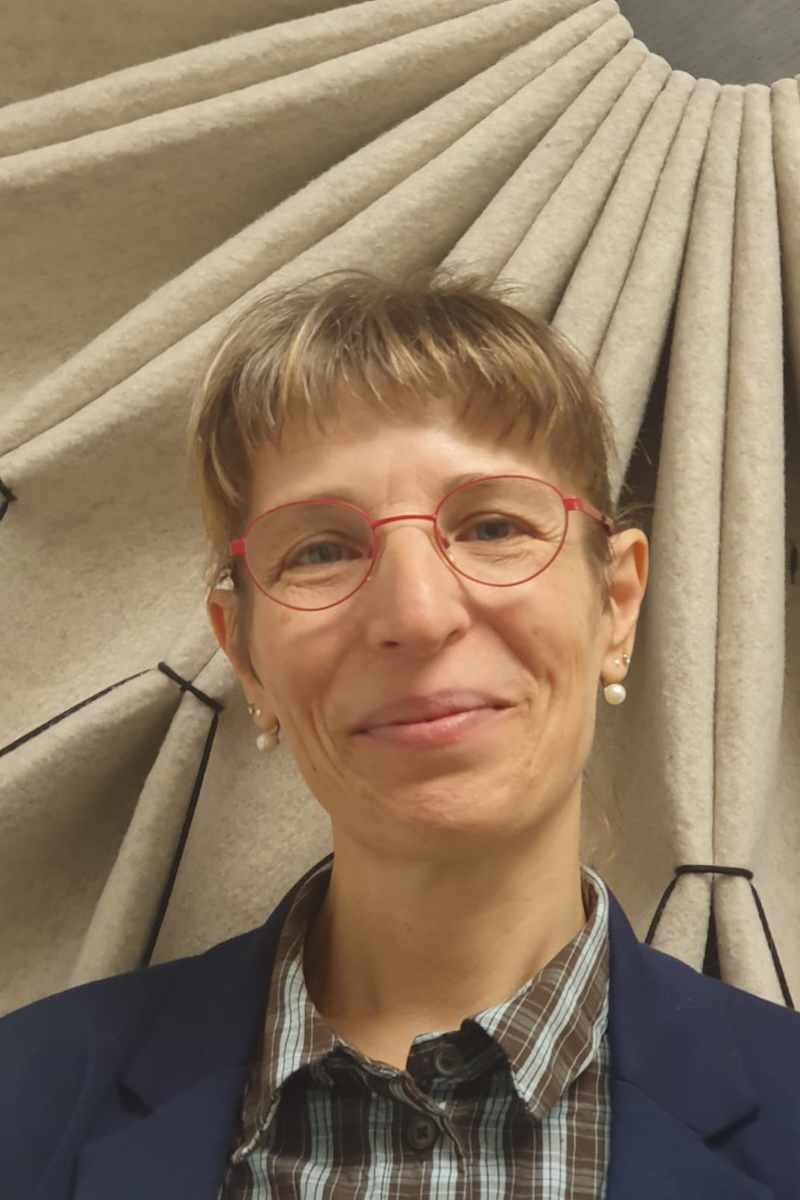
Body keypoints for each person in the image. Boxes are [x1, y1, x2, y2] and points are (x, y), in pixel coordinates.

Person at [1, 269, 798, 1200]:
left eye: (493, 526)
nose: (416, 614)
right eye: (322, 550)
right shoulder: (22, 1105)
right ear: (246, 655)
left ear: (615, 605)